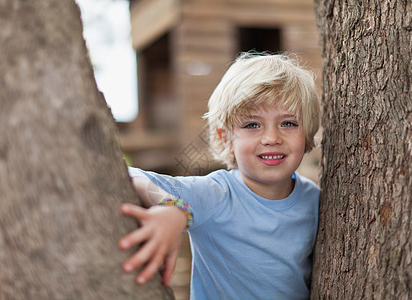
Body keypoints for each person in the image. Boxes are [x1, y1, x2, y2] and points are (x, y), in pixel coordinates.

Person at [119, 52, 321, 299]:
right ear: (226, 137)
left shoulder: (315, 200)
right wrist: (172, 208)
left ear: (308, 131)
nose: (272, 138)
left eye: (288, 123)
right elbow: (129, 174)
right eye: (252, 125)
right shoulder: (215, 195)